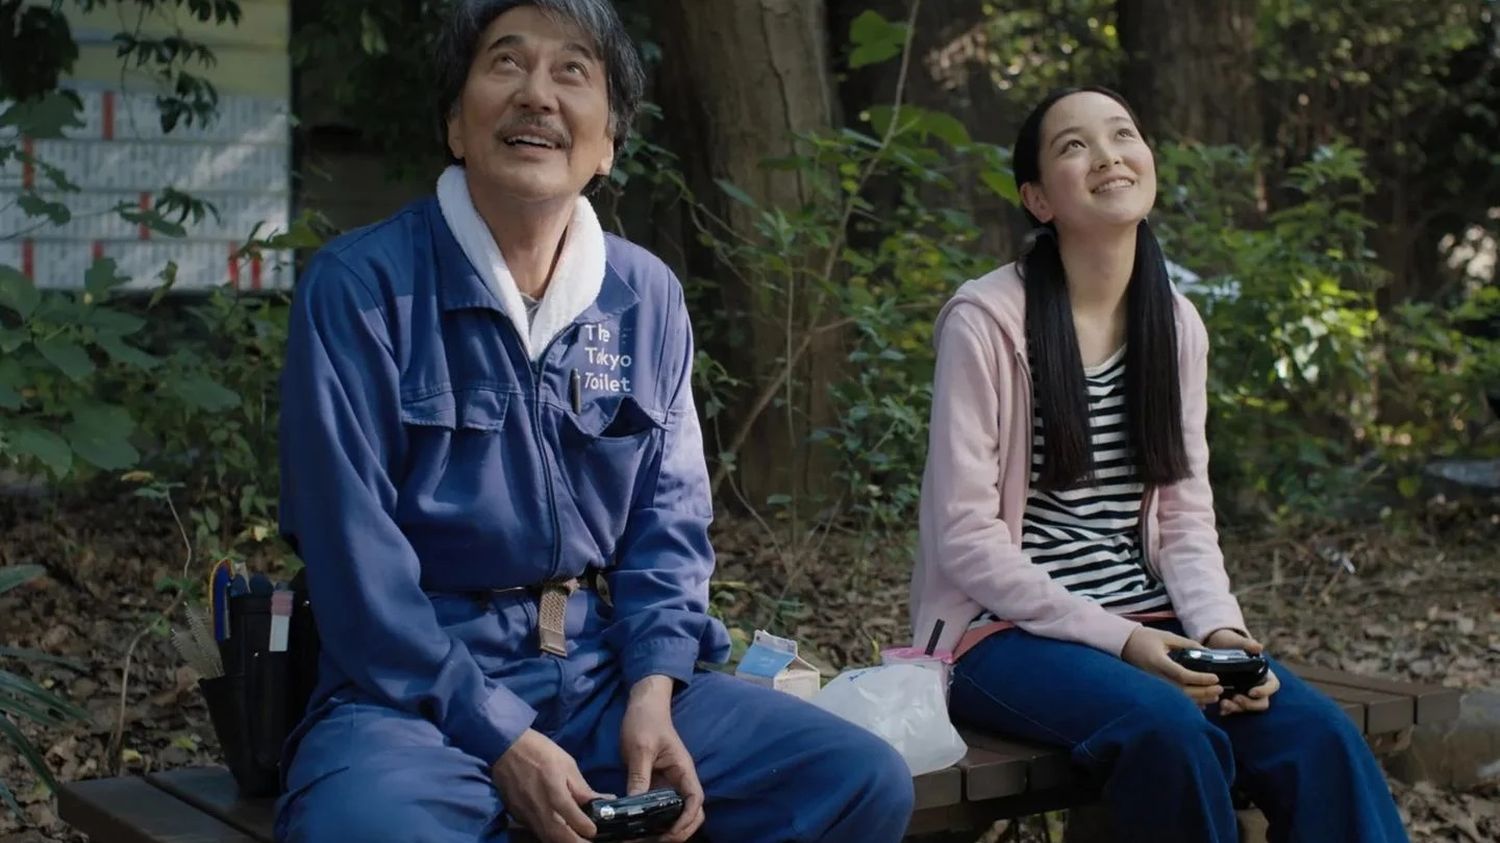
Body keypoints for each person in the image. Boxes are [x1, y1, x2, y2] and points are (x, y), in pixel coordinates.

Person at [274, 2, 914, 841]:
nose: (537, 94)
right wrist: (500, 735)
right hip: (412, 696)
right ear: (455, 125)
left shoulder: (644, 297)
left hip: (600, 672)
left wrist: (654, 688)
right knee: (360, 826)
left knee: (856, 780)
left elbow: (668, 528)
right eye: (505, 63)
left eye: (573, 70)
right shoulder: (362, 288)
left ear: (608, 141)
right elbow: (356, 571)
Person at [910, 86, 1409, 842]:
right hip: (1000, 636)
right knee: (1168, 733)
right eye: (1074, 145)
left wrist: (1224, 630)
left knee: (1319, 739)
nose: (1108, 154)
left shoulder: (1174, 324)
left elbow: (1182, 517)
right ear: (1038, 198)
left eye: (1122, 134)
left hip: (1155, 622)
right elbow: (966, 538)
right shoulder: (985, 321)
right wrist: (1123, 640)